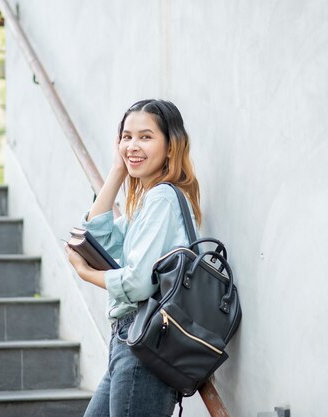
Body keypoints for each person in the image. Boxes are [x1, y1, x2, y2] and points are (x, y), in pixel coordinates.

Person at [65, 99, 202, 417]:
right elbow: (100, 238)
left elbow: (138, 283)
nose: (133, 146)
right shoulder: (144, 205)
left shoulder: (162, 199)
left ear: (170, 147)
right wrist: (116, 170)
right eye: (126, 137)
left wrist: (86, 274)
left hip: (144, 344)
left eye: (145, 136)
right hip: (130, 342)